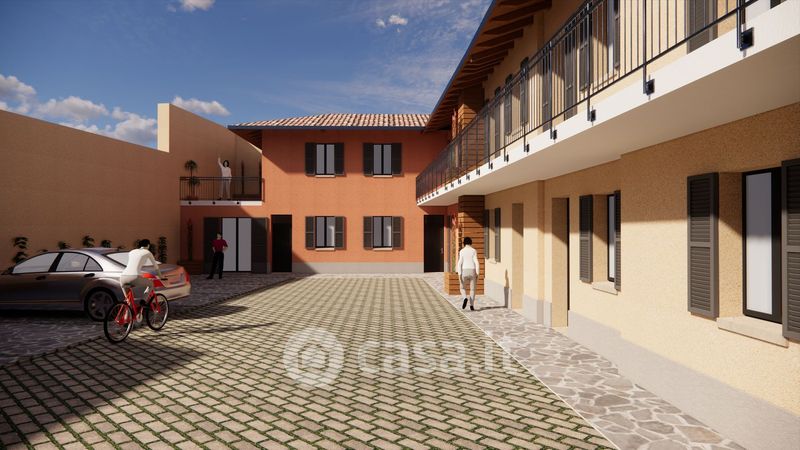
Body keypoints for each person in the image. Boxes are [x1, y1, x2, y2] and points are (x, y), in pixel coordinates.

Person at [119, 239, 163, 319]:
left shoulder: (131, 252)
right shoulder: (147, 252)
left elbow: (133, 264)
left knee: (129, 301)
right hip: (134, 277)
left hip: (122, 277)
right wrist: (161, 276)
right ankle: (143, 301)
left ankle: (126, 320)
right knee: (151, 284)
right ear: (148, 245)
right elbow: (156, 266)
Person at [457, 236, 480, 311]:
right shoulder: (474, 250)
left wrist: (459, 274)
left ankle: (465, 298)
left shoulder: (462, 251)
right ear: (471, 242)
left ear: (464, 243)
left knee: (462, 288)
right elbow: (476, 262)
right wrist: (477, 272)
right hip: (472, 270)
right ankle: (471, 305)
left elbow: (459, 263)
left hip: (464, 271)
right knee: (472, 289)